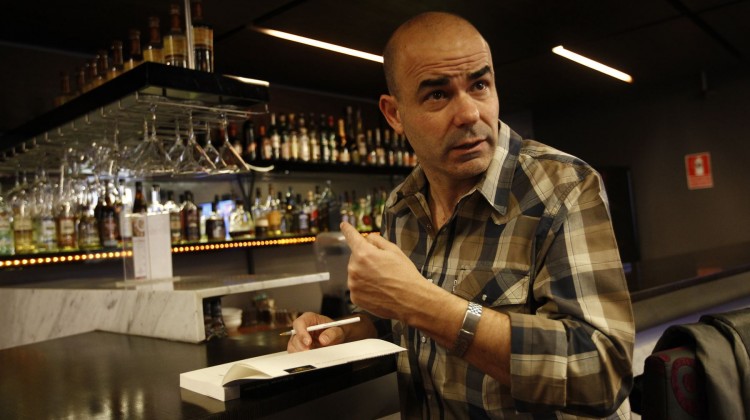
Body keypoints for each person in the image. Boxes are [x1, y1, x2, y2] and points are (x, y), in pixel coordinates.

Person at [287, 11, 634, 419]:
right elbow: (398, 322)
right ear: (394, 114)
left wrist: (425, 305)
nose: (469, 113)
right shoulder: (401, 206)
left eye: (479, 85)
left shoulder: (562, 187)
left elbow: (602, 373)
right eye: (438, 94)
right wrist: (346, 330)